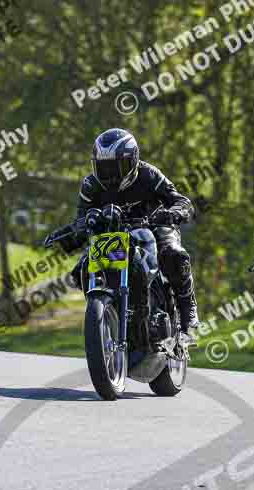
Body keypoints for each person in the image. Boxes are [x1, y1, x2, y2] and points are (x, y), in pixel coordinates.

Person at [69, 128, 199, 339]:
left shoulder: (149, 175)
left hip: (154, 227)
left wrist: (173, 213)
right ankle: (104, 315)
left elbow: (181, 201)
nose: (110, 175)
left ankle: (188, 309)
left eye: (115, 167)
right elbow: (80, 220)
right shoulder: (90, 185)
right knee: (80, 269)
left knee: (174, 255)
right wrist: (79, 228)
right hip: (113, 235)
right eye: (103, 167)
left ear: (133, 160)